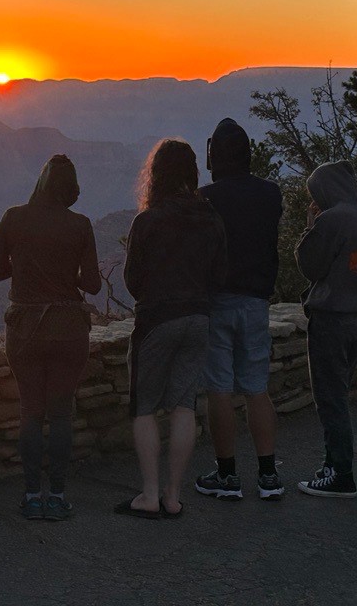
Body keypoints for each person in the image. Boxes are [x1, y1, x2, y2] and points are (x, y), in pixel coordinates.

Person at [116, 139, 226, 520]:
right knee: (184, 405)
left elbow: (132, 281)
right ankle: (174, 496)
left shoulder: (147, 221)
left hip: (158, 321)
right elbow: (219, 273)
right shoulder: (210, 217)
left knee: (144, 407)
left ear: (156, 175)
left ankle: (148, 494)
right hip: (198, 318)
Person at [0, 154, 101, 521]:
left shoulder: (13, 218)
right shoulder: (80, 225)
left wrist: (23, 264)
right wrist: (70, 273)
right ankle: (58, 496)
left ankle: (32, 495)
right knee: (61, 413)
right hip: (68, 329)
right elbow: (94, 284)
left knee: (31, 412)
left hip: (24, 329)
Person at [194, 118, 285, 501]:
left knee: (219, 389)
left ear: (214, 156)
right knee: (256, 389)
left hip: (217, 301)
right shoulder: (271, 194)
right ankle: (268, 475)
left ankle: (227, 475)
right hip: (256, 300)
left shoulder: (206, 198)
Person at [295, 160, 357, 499]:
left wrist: (310, 226)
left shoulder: (332, 219)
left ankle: (340, 475)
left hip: (333, 318)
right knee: (339, 393)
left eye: (314, 193)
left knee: (330, 398)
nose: (312, 200)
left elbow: (310, 266)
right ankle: (332, 464)